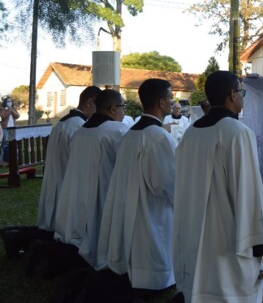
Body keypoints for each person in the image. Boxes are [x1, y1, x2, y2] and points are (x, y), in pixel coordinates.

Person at [172, 71, 263, 303]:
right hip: (226, 232)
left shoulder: (191, 133)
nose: (242, 99)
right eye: (241, 93)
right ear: (232, 95)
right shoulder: (238, 132)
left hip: (192, 228)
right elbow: (250, 192)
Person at [97, 79, 176, 293]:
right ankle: (155, 280)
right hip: (151, 208)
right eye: (170, 97)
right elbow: (169, 183)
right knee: (153, 242)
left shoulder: (131, 133)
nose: (173, 101)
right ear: (161, 102)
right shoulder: (158, 137)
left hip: (130, 202)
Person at [54, 89, 129, 267]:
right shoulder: (117, 130)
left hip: (76, 191)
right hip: (103, 189)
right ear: (112, 109)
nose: (124, 112)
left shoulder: (81, 131)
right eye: (122, 107)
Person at [37, 86, 101, 232]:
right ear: (90, 103)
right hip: (69, 179)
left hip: (56, 175)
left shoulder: (62, 122)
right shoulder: (80, 126)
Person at [1, 96, 20, 161]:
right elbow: (3, 116)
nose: (10, 102)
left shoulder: (14, 108)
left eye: (10, 101)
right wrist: (8, 109)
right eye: (8, 101)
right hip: (5, 128)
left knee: (13, 142)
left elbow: (17, 116)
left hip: (13, 128)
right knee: (5, 143)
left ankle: (14, 157)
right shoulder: (2, 109)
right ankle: (6, 159)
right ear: (5, 102)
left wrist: (11, 109)